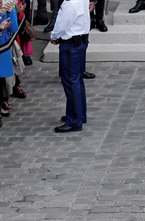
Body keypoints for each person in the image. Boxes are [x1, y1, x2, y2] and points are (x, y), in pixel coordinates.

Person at [49, 0, 91, 133]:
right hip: (80, 40)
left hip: (71, 44)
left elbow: (62, 25)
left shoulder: (69, 3)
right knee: (77, 80)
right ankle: (80, 114)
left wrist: (53, 36)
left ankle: (74, 120)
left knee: (71, 81)